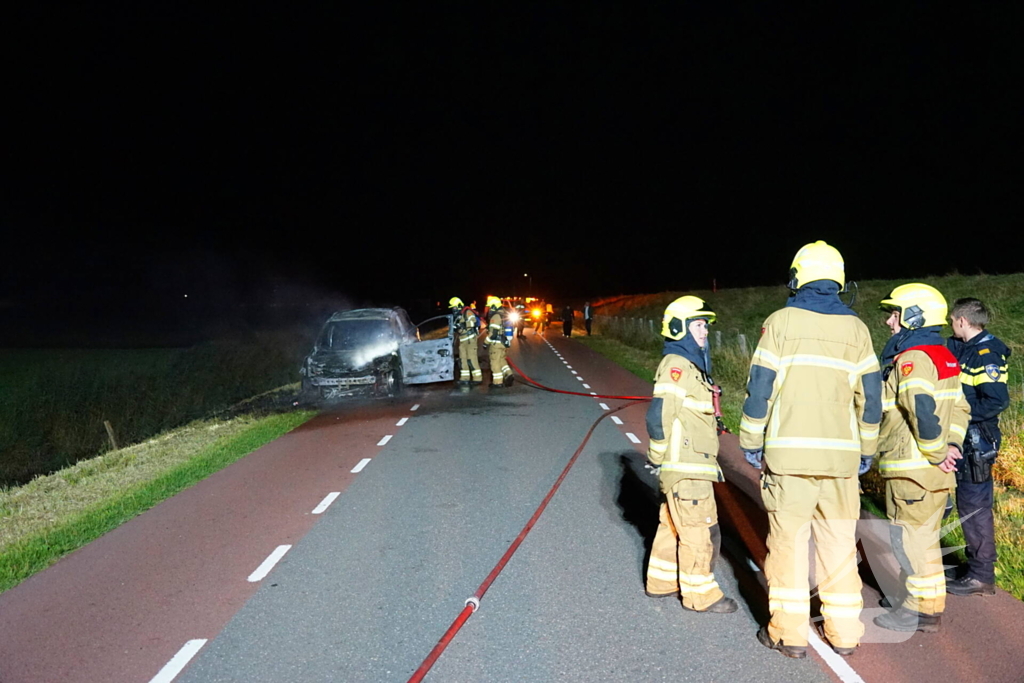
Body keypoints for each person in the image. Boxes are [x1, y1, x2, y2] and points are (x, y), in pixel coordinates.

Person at [740, 240, 881, 659]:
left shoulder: (780, 323)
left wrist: (750, 440)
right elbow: (870, 396)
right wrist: (866, 450)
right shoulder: (857, 328)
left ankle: (788, 633)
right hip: (840, 463)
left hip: (790, 461)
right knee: (839, 543)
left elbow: (759, 388)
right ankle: (845, 633)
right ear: (838, 280)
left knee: (789, 546)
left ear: (798, 277)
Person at [873, 283, 970, 634]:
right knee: (922, 537)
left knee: (911, 540)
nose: (889, 322)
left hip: (914, 469)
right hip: (933, 472)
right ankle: (911, 598)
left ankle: (919, 610)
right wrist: (952, 446)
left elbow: (921, 411)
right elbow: (960, 408)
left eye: (895, 314)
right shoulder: (943, 356)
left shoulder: (912, 358)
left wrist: (937, 451)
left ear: (914, 316)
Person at [645, 296, 738, 614]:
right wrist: (656, 456)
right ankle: (701, 595)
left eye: (705, 326)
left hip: (689, 465)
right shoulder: (677, 366)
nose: (704, 332)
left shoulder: (690, 366)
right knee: (699, 528)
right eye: (698, 325)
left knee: (672, 523)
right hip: (688, 467)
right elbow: (658, 417)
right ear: (678, 328)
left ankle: (662, 581)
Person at [945, 298, 1009, 596]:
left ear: (962, 321)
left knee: (974, 506)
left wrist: (958, 411)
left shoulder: (987, 353)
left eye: (951, 320)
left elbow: (996, 400)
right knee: (965, 503)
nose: (949, 325)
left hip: (977, 440)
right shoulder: (967, 346)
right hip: (966, 436)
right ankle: (975, 568)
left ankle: (982, 575)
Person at [450, 297, 482, 384]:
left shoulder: (467, 312)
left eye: (455, 307)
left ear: (459, 305)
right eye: (452, 308)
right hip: (462, 340)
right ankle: (465, 378)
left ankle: (477, 378)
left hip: (470, 339)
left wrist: (462, 325)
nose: (454, 309)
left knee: (471, 359)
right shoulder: (458, 315)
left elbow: (473, 322)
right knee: (462, 359)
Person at [483, 296, 513, 387]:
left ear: (494, 306)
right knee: (501, 360)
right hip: (503, 342)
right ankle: (508, 373)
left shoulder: (495, 316)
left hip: (496, 343)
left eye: (491, 307)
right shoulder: (503, 313)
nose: (490, 309)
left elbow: (493, 333)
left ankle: (497, 382)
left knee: (494, 362)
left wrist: (485, 342)